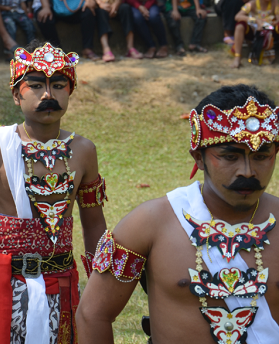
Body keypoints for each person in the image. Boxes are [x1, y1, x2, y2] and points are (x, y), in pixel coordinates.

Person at [77, 84, 279, 344]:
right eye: (230, 157)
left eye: (262, 156)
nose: (247, 172)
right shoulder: (149, 224)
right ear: (198, 157)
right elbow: (93, 314)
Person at [0, 41, 107, 343]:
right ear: (16, 94)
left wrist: (102, 287)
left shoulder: (84, 151)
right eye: (35, 85)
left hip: (60, 286)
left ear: (70, 92)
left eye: (58, 85)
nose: (48, 95)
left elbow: (94, 223)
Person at [230, 0, 278, 68]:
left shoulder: (275, 2)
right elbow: (238, 16)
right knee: (240, 26)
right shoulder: (252, 3)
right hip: (254, 33)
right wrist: (256, 20)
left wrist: (267, 25)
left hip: (270, 31)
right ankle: (237, 58)